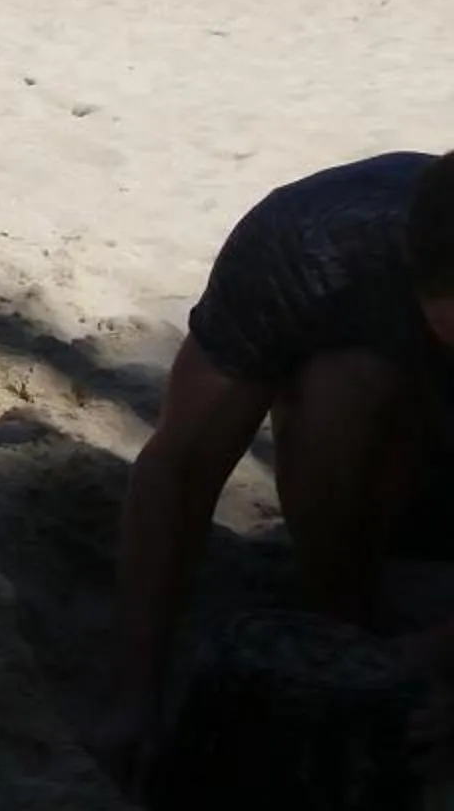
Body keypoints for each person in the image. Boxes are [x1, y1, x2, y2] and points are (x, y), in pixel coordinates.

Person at [89, 150, 454, 788]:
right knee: (343, 382)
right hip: (404, 482)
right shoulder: (311, 247)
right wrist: (134, 694)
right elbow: (180, 469)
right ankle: (349, 626)